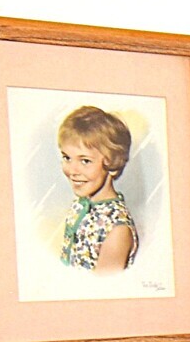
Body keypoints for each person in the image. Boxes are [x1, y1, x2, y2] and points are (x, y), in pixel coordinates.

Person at [56, 106, 138, 272]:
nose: (72, 170)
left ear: (113, 163)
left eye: (85, 161)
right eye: (67, 158)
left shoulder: (117, 230)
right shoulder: (80, 203)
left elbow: (103, 285)